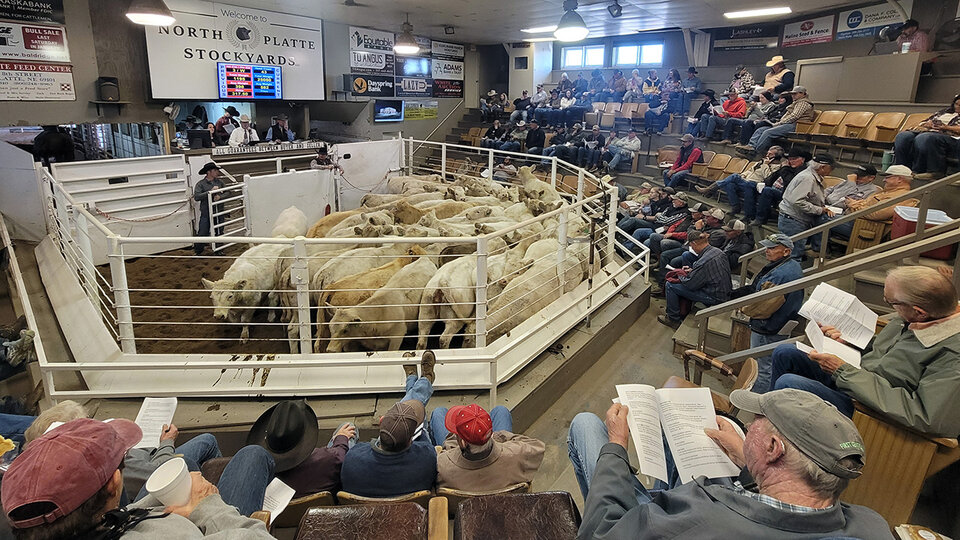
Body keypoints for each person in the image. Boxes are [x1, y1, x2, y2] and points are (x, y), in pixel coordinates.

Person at [568, 388, 891, 539]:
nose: (749, 427)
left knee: (585, 425)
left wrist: (617, 445)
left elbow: (602, 532)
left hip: (646, 523)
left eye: (755, 423)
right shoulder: (872, 525)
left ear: (774, 448)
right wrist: (750, 465)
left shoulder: (699, 521)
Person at [2, 418, 275, 538]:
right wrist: (208, 507)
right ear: (113, 484)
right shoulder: (170, 534)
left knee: (186, 462)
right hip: (200, 526)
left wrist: (145, 507)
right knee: (253, 454)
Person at [771, 266, 960, 437]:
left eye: (890, 302)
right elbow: (890, 352)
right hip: (859, 380)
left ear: (919, 312)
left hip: (871, 411)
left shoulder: (952, 355)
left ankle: (779, 444)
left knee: (790, 383)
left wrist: (843, 371)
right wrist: (852, 343)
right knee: (786, 353)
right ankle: (769, 425)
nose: (888, 304)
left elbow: (924, 415)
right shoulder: (915, 319)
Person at [22, 400, 223, 502]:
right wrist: (167, 443)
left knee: (206, 440)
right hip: (157, 466)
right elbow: (160, 471)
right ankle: (213, 497)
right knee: (191, 459)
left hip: (148, 455)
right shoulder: (110, 470)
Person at [340, 351, 439, 496]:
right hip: (409, 514)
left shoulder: (353, 459)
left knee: (408, 413)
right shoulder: (427, 457)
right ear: (412, 438)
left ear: (381, 423)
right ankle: (424, 380)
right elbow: (425, 443)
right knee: (413, 415)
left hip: (366, 515)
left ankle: (417, 380)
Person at [732, 233, 803, 393]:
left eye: (772, 248)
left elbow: (761, 308)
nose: (767, 251)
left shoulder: (781, 274)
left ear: (786, 251)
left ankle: (757, 403)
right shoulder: (790, 265)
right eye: (767, 247)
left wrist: (743, 308)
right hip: (778, 324)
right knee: (766, 365)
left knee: (762, 368)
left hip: (768, 327)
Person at [248, 400, 357, 498]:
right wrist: (340, 437)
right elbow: (340, 455)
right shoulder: (328, 459)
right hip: (320, 505)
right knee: (348, 426)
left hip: (284, 512)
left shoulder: (258, 473)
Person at [430, 403, 545, 491]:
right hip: (501, 504)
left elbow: (447, 455)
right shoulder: (518, 455)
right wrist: (497, 436)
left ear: (463, 443)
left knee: (438, 412)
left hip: (463, 511)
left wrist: (452, 442)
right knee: (501, 411)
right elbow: (538, 446)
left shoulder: (441, 465)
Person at [657, 229, 732, 328]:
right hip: (726, 291)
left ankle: (673, 319)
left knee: (670, 285)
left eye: (691, 246)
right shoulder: (718, 251)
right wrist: (693, 270)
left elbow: (690, 284)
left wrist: (680, 273)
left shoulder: (703, 262)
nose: (691, 248)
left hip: (716, 297)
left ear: (694, 243)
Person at [830, 164, 917, 241]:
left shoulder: (901, 197)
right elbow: (865, 203)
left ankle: (820, 250)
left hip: (864, 227)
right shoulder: (886, 192)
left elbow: (875, 213)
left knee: (821, 218)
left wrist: (854, 205)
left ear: (899, 179)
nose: (883, 180)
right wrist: (857, 204)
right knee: (822, 214)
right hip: (854, 220)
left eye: (887, 177)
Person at [697, 145, 784, 217]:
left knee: (734, 176)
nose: (767, 155)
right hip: (746, 181)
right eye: (767, 152)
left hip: (756, 184)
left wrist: (766, 165)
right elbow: (750, 170)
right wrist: (742, 175)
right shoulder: (761, 162)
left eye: (770, 154)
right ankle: (735, 206)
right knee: (730, 184)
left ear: (776, 157)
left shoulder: (777, 167)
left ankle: (710, 189)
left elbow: (767, 177)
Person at [777, 153, 836, 259]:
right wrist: (819, 210)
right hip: (793, 220)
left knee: (788, 254)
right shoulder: (808, 178)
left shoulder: (809, 175)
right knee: (792, 256)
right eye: (831, 168)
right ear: (823, 167)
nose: (831, 172)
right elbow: (797, 201)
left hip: (792, 218)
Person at [893, 94, 960, 179]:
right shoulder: (945, 112)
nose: (957, 107)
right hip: (930, 131)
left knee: (925, 138)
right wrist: (927, 124)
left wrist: (946, 127)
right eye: (956, 104)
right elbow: (924, 122)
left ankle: (932, 171)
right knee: (903, 136)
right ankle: (901, 169)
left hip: (951, 138)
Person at [741, 86, 814, 156]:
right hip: (787, 123)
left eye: (795, 94)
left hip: (796, 125)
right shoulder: (796, 102)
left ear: (803, 94)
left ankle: (756, 152)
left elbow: (794, 116)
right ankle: (751, 146)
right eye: (792, 94)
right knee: (761, 130)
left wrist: (780, 123)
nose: (793, 96)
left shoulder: (803, 103)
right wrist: (779, 123)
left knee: (768, 132)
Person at [750, 148, 810, 226]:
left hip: (789, 195)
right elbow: (769, 180)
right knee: (752, 186)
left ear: (802, 159)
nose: (791, 161)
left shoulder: (803, 171)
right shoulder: (787, 168)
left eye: (794, 159)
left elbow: (790, 182)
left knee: (767, 191)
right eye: (790, 159)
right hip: (776, 190)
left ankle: (760, 219)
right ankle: (750, 215)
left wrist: (784, 168)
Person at [621, 192, 689, 253]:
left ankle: (643, 262)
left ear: (681, 202)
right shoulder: (671, 206)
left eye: (675, 200)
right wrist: (660, 217)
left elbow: (666, 221)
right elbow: (660, 216)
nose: (673, 201)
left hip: (664, 233)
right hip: (656, 227)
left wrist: (660, 217)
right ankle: (625, 249)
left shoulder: (684, 213)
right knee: (638, 231)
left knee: (646, 242)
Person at [193, 162, 226, 255]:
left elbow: (228, 192)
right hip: (207, 211)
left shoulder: (219, 182)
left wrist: (220, 197)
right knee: (203, 231)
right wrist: (209, 193)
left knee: (219, 230)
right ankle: (198, 250)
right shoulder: (201, 184)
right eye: (215, 170)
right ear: (209, 172)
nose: (217, 172)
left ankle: (219, 249)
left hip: (218, 210)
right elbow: (197, 196)